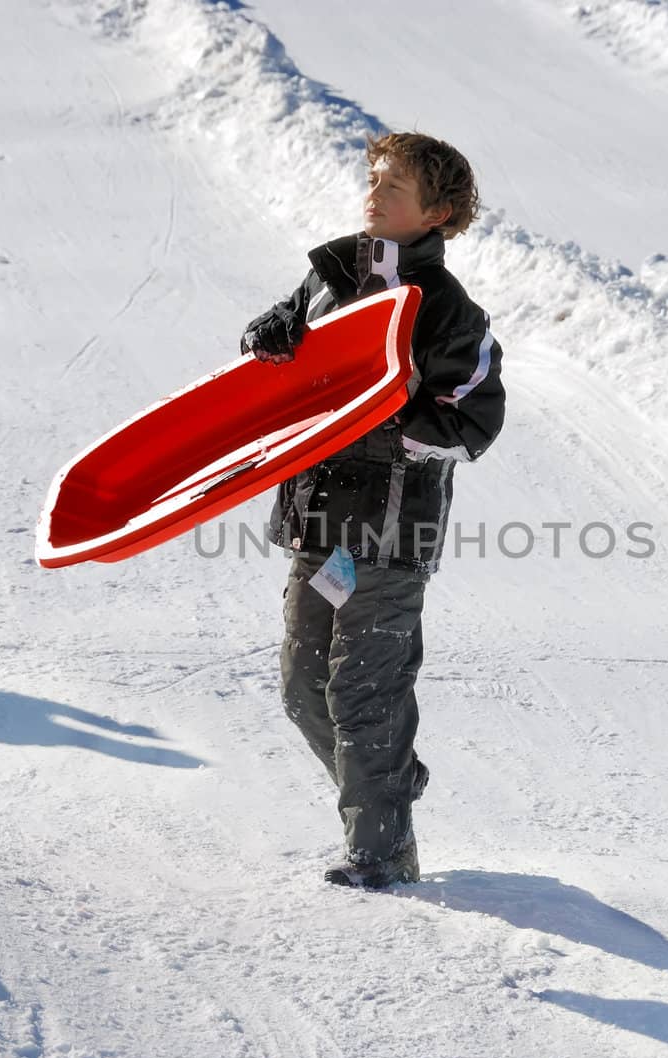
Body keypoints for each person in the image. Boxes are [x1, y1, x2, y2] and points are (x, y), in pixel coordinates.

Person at [240, 132, 506, 888]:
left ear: (438, 213)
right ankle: (388, 779)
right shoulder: (329, 278)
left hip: (389, 535)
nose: (375, 192)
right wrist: (269, 334)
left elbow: (475, 418)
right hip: (317, 527)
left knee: (363, 692)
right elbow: (274, 351)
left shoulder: (449, 312)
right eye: (374, 177)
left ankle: (382, 852)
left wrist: (393, 425)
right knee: (302, 689)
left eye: (396, 185)